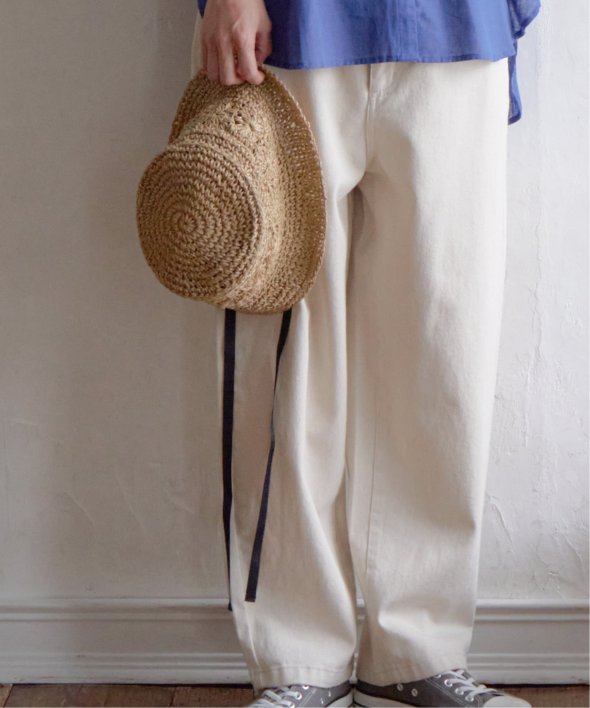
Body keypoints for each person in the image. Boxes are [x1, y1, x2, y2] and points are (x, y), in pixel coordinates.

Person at [190, 1, 541, 706]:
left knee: (443, 355)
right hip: (290, 28)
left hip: (459, 25)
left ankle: (417, 652)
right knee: (289, 355)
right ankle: (298, 660)